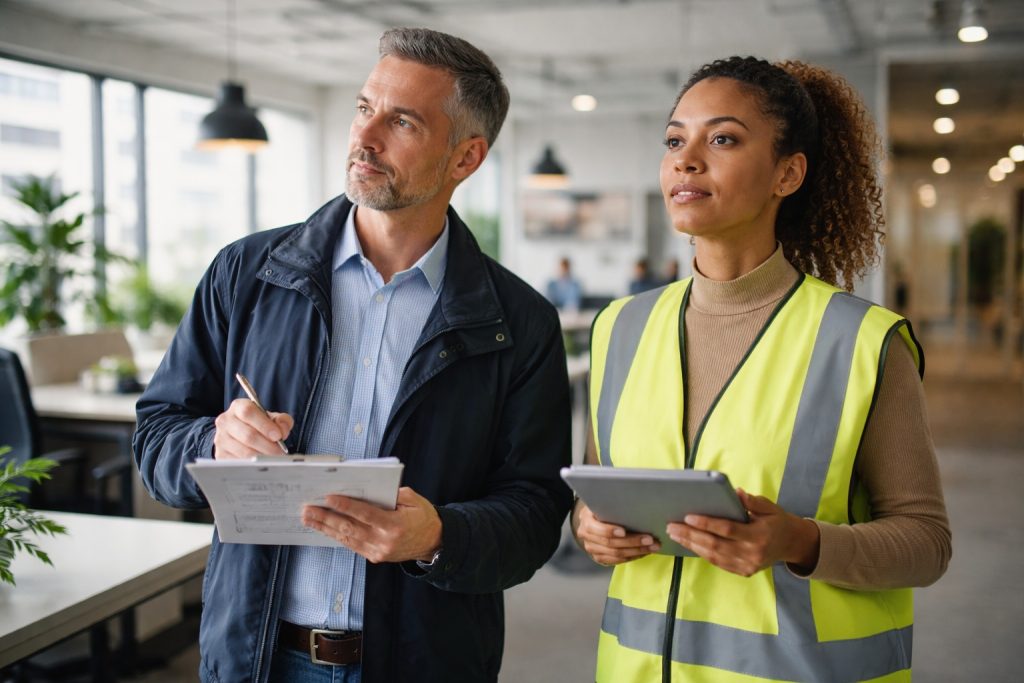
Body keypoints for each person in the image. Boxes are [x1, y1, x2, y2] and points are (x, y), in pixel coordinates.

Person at [134, 28, 573, 683]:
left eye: (402, 121)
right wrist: (212, 441)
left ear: (466, 157)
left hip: (424, 661)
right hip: (257, 656)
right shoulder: (247, 274)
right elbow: (156, 434)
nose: (365, 139)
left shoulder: (521, 322)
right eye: (365, 107)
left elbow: (536, 512)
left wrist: (439, 536)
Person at [573, 56, 951, 682]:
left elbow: (926, 545)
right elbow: (596, 497)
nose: (685, 160)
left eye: (721, 138)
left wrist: (800, 541)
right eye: (675, 140)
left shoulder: (861, 341)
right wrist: (590, 528)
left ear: (787, 173)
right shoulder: (618, 328)